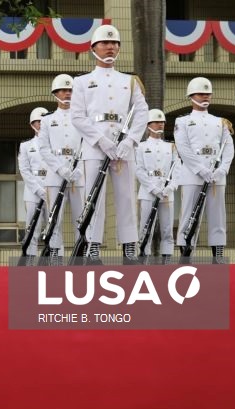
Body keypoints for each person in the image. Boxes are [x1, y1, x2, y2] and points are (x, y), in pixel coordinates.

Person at [70, 24, 148, 264]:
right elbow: (77, 116)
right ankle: (93, 248)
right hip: (95, 148)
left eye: (115, 43)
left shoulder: (131, 81)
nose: (111, 47)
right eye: (105, 43)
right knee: (94, 199)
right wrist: (100, 140)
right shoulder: (82, 82)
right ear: (93, 48)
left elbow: (142, 112)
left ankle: (129, 249)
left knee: (126, 198)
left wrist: (131, 140)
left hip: (124, 148)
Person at [174, 77, 234, 263]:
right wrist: (200, 169)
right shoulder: (183, 121)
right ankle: (186, 254)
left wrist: (222, 169)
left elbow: (228, 147)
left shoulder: (220, 122)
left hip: (216, 175)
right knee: (189, 215)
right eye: (201, 93)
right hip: (193, 174)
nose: (205, 96)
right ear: (191, 96)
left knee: (218, 215)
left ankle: (218, 256)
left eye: (208, 93)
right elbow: (183, 148)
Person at [37, 74, 84, 265]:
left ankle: (80, 258)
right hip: (55, 176)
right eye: (63, 90)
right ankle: (56, 258)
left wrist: (79, 169)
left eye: (70, 90)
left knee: (81, 219)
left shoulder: (82, 117)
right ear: (55, 93)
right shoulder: (47, 120)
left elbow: (88, 144)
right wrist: (60, 169)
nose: (67, 94)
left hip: (78, 175)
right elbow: (43, 148)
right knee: (54, 219)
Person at [134, 109, 179, 264]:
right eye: (156, 122)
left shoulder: (171, 147)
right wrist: (153, 188)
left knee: (167, 229)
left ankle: (166, 259)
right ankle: (143, 258)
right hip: (148, 193)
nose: (160, 124)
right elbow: (138, 170)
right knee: (145, 228)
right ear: (148, 125)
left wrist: (170, 187)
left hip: (167, 194)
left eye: (162, 122)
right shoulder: (140, 147)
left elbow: (177, 170)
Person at [19, 107, 49, 264]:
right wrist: (38, 189)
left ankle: (53, 262)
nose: (41, 124)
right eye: (38, 121)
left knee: (54, 228)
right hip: (32, 192)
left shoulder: (54, 144)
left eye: (44, 121)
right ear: (32, 124)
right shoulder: (25, 146)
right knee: (33, 228)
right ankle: (29, 262)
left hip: (52, 189)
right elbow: (24, 170)